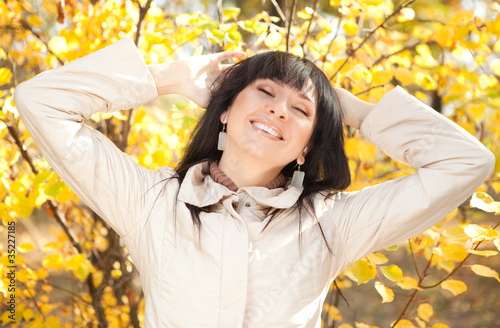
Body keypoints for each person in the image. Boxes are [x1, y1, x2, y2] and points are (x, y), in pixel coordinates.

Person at [14, 37, 495, 327]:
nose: (278, 109)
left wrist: (342, 106)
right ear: (224, 111)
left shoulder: (330, 223)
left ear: (307, 145)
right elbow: (40, 102)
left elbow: (465, 163)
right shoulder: (152, 201)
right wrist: (172, 77)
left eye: (300, 111)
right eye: (264, 91)